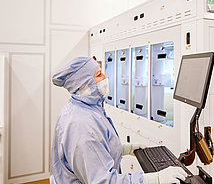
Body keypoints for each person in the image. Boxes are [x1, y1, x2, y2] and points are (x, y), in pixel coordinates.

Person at [50, 57, 187, 184]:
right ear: (83, 85)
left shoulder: (82, 108)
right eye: (99, 75)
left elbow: (97, 148)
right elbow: (102, 181)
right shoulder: (82, 125)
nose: (105, 77)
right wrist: (155, 178)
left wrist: (125, 149)